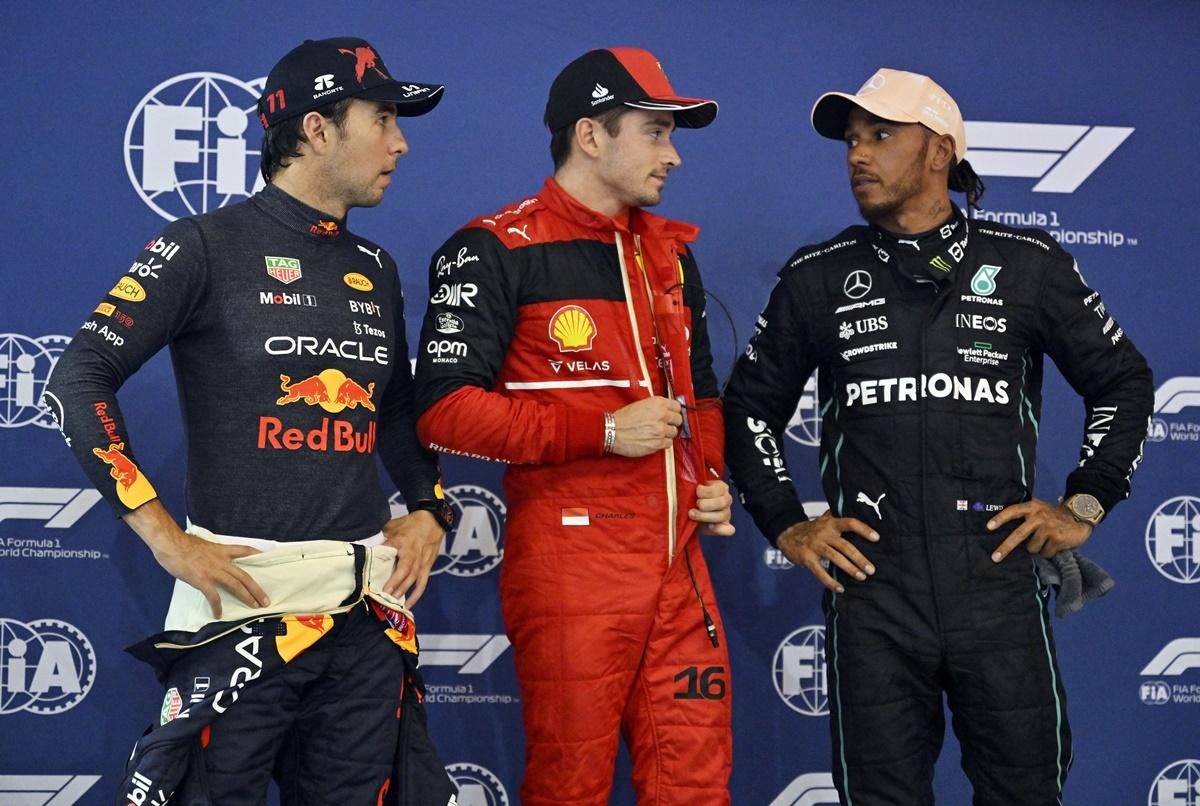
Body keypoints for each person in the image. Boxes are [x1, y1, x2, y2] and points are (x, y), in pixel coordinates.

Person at [43, 36, 456, 805]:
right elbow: (77, 379)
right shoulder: (202, 245)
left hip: (362, 619)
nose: (400, 142)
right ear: (318, 129)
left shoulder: (377, 267)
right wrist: (164, 536)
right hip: (241, 610)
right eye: (384, 118)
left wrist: (431, 505)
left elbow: (394, 408)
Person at [723, 68, 1153, 805]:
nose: (858, 154)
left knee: (1025, 792)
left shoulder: (1029, 265)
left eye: (881, 135)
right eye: (852, 140)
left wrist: (1083, 504)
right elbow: (748, 407)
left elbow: (1124, 382)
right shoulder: (818, 277)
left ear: (940, 152)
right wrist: (788, 523)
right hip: (873, 594)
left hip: (997, 585)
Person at [414, 47, 734, 805]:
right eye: (655, 132)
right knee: (571, 787)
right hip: (572, 561)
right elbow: (442, 412)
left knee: (696, 783)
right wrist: (602, 432)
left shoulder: (669, 254)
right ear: (590, 136)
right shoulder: (493, 247)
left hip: (679, 562)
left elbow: (705, 395)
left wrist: (709, 478)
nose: (674, 154)